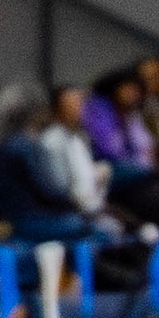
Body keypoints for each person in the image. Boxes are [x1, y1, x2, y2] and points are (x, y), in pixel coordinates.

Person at [0, 85, 112, 245]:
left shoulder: (8, 145)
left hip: (21, 216)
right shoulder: (24, 146)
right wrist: (80, 206)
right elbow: (51, 190)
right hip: (28, 219)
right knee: (99, 231)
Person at [39, 87, 113, 228]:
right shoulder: (50, 141)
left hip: (93, 207)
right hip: (69, 213)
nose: (78, 108)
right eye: (71, 104)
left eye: (80, 103)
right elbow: (59, 188)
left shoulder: (78, 137)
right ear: (57, 108)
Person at [82, 66, 152, 173]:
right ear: (116, 87)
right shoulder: (98, 107)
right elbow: (109, 148)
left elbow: (145, 147)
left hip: (125, 165)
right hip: (100, 164)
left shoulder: (132, 114)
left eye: (135, 91)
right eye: (127, 88)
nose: (131, 94)